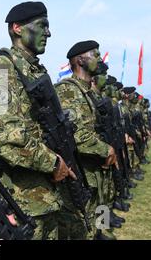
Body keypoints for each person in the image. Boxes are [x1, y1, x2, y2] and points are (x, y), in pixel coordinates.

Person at [0, 2, 74, 240]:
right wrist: (52, 162)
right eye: (42, 26)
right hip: (17, 202)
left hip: (44, 198)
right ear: (17, 28)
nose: (48, 33)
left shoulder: (35, 72)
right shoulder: (0, 67)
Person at [55, 40, 118, 240]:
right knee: (78, 227)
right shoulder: (69, 91)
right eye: (96, 55)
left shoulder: (86, 92)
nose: (99, 59)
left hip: (93, 169)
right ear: (80, 59)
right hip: (79, 172)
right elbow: (76, 135)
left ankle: (100, 231)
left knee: (103, 199)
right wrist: (105, 149)